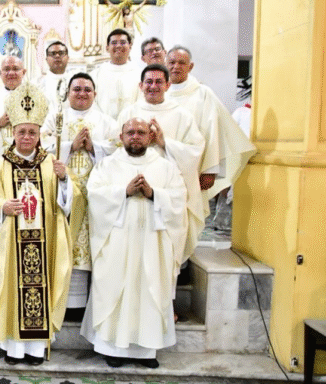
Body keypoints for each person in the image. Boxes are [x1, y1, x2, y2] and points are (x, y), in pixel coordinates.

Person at [0, 83, 73, 366]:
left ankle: (35, 349)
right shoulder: (1, 165)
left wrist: (65, 179)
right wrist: (1, 207)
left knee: (39, 290)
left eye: (32, 132)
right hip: (10, 244)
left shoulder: (51, 164)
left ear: (39, 134)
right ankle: (12, 348)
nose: (27, 137)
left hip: (44, 245)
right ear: (13, 133)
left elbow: (67, 202)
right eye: (22, 132)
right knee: (11, 290)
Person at [81, 118, 187, 369]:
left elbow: (179, 198)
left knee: (150, 291)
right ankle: (112, 348)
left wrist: (154, 194)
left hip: (153, 243)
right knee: (115, 289)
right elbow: (94, 195)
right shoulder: (107, 165)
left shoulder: (166, 167)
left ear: (150, 137)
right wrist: (123, 192)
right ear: (121, 136)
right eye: (130, 132)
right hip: (117, 242)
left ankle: (146, 352)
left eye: (141, 132)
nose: (136, 136)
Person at [41, 72, 119, 320]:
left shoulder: (107, 122)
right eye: (77, 89)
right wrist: (70, 146)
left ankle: (81, 306)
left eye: (87, 89)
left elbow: (118, 151)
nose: (82, 93)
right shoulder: (54, 120)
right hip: (60, 193)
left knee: (87, 243)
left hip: (94, 195)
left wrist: (94, 146)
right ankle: (57, 300)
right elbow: (40, 147)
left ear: (95, 94)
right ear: (68, 94)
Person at [117, 64, 206, 271]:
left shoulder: (182, 115)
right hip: (132, 190)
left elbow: (196, 150)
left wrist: (165, 143)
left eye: (158, 82)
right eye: (149, 82)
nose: (153, 86)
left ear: (168, 85)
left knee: (160, 254)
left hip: (165, 193)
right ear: (140, 85)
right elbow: (115, 148)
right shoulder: (129, 113)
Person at [165, 46, 256, 201]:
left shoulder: (203, 93)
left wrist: (211, 169)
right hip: (164, 164)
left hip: (194, 166)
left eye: (181, 62)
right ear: (165, 64)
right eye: (172, 62)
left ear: (190, 66)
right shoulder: (159, 92)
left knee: (190, 214)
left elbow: (214, 132)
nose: (176, 66)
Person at [0, 55, 27, 168]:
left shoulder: (35, 97)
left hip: (26, 157)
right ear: (0, 73)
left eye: (16, 69)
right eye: (6, 69)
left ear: (24, 72)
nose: (11, 73)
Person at [93, 28, 140, 120]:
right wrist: (104, 122)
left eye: (123, 42)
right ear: (107, 48)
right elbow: (92, 102)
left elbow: (142, 101)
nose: (118, 46)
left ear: (130, 46)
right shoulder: (96, 74)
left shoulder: (139, 73)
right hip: (103, 126)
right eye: (114, 43)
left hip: (132, 127)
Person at [37, 41, 71, 117]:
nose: (57, 56)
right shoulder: (38, 84)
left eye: (61, 53)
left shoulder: (75, 82)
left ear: (68, 58)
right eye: (53, 54)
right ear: (46, 59)